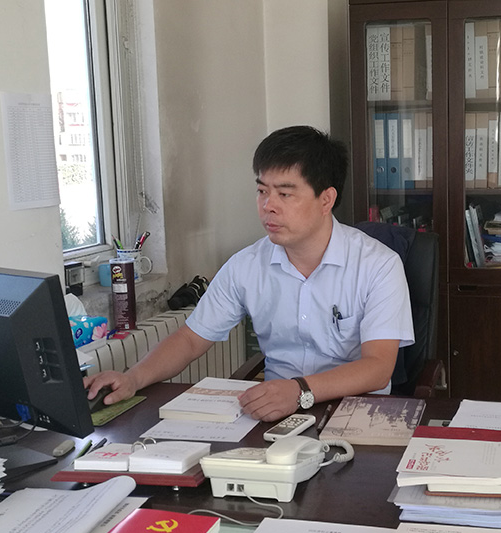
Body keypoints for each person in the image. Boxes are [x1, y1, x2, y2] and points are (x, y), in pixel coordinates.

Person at [85, 125, 414, 422]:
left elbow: (378, 367)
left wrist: (300, 390)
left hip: (357, 413)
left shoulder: (377, 265)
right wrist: (133, 378)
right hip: (275, 413)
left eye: (285, 194)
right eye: (262, 191)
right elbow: (190, 340)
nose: (268, 205)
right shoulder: (246, 265)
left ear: (326, 199)